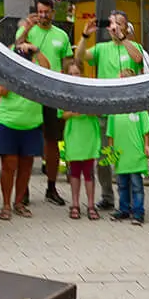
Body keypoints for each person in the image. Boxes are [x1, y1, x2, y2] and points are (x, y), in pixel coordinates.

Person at [77, 11, 146, 209]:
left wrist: (122, 38)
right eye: (111, 24)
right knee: (105, 157)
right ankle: (108, 196)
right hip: (106, 113)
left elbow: (138, 58)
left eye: (119, 23)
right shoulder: (101, 48)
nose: (114, 27)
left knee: (128, 157)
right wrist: (84, 36)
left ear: (125, 27)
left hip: (128, 114)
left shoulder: (133, 46)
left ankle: (131, 201)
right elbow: (80, 57)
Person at [16, 0, 72, 208]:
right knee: (29, 140)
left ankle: (51, 187)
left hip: (53, 93)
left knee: (52, 142)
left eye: (47, 12)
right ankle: (24, 189)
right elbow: (16, 48)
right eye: (40, 12)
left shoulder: (62, 35)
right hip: (30, 93)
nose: (43, 15)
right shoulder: (28, 31)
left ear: (53, 12)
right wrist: (26, 30)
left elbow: (67, 65)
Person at [0, 46, 45, 219]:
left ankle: (19, 202)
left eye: (27, 59)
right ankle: (6, 204)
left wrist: (36, 51)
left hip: (32, 124)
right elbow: (1, 91)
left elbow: (48, 70)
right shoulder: (7, 71)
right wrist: (13, 70)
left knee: (26, 167)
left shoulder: (37, 73)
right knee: (9, 165)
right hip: (8, 123)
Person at [108, 72, 149, 224]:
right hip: (121, 153)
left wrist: (147, 145)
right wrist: (111, 151)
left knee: (136, 185)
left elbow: (146, 129)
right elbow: (110, 132)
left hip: (135, 153)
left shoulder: (139, 105)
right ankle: (124, 209)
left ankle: (138, 212)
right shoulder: (115, 106)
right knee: (122, 184)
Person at [59, 63, 101, 220]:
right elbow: (61, 114)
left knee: (89, 172)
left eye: (77, 73)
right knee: (75, 172)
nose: (74, 76)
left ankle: (91, 205)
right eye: (71, 73)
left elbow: (98, 110)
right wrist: (72, 113)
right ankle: (74, 203)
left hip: (89, 135)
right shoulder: (65, 93)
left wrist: (88, 110)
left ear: (82, 74)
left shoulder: (90, 91)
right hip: (73, 135)